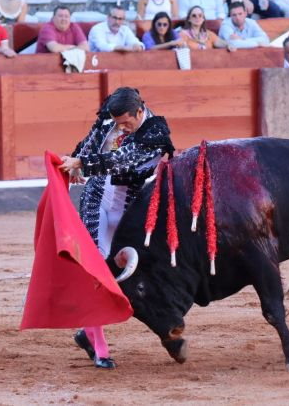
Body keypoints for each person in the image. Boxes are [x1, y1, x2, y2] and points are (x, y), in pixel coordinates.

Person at [58, 87, 175, 370]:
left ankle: (88, 332)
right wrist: (76, 161)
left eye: (126, 122)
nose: (121, 127)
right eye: (117, 122)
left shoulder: (155, 134)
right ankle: (99, 345)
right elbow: (93, 140)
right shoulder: (111, 118)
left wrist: (83, 163)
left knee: (133, 272)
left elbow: (121, 158)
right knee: (96, 271)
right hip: (96, 201)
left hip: (129, 210)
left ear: (139, 111)